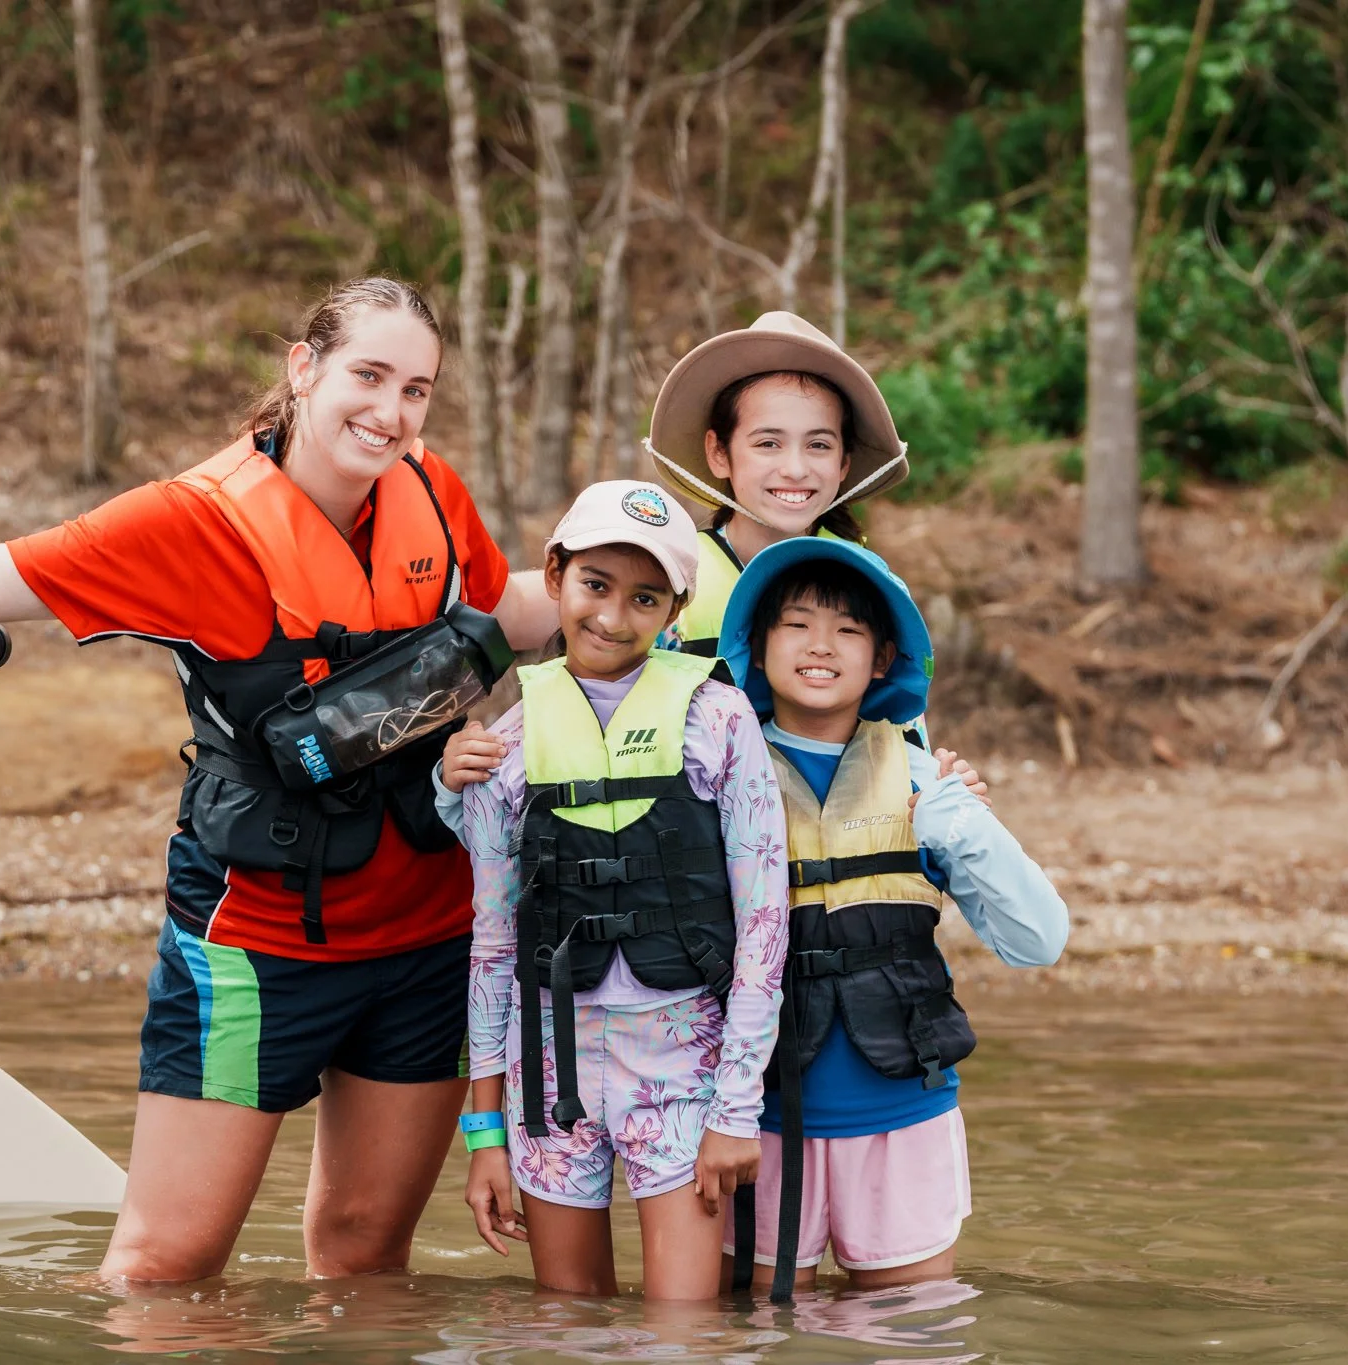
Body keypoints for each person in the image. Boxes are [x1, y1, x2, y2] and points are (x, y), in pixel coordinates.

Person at [0, 276, 557, 1284]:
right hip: (258, 936)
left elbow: (505, 609)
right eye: (368, 376)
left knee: (364, 1253)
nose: (389, 413)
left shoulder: (432, 494)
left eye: (415, 390)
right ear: (303, 369)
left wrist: (662, 585)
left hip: (428, 935)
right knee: (163, 1268)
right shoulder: (187, 523)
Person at [443, 479, 790, 1300]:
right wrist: (484, 1131)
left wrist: (736, 1108)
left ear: (675, 609)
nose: (613, 615)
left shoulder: (720, 719)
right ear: (555, 573)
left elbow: (765, 925)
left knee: (684, 1331)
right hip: (548, 1077)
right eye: (595, 584)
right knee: (566, 1327)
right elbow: (493, 946)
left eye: (645, 597)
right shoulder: (507, 744)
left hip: (683, 1068)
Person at [712, 537, 1069, 1299]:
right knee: (753, 1335)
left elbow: (1040, 940)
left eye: (847, 630)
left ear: (880, 660)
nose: (819, 645)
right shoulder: (713, 770)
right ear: (758, 646)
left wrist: (960, 822)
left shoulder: (921, 779)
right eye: (797, 624)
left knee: (911, 1334)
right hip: (756, 1121)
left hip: (903, 1115)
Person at [643, 311, 911, 658]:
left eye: (819, 445)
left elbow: (899, 710)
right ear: (719, 452)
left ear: (844, 462)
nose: (796, 469)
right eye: (768, 443)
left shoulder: (876, 587)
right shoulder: (671, 581)